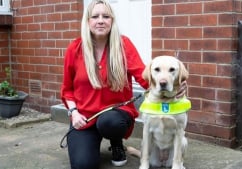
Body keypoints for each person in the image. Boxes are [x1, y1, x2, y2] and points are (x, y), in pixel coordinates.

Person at [60, 0, 187, 169]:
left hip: (116, 114)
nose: (100, 20)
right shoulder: (74, 48)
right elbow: (67, 90)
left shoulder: (123, 45)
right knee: (83, 165)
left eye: (106, 16)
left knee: (110, 122)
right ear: (87, 21)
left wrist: (174, 85)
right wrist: (74, 113)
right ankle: (91, 141)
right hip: (85, 117)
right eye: (95, 16)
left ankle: (116, 143)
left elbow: (145, 78)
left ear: (112, 21)